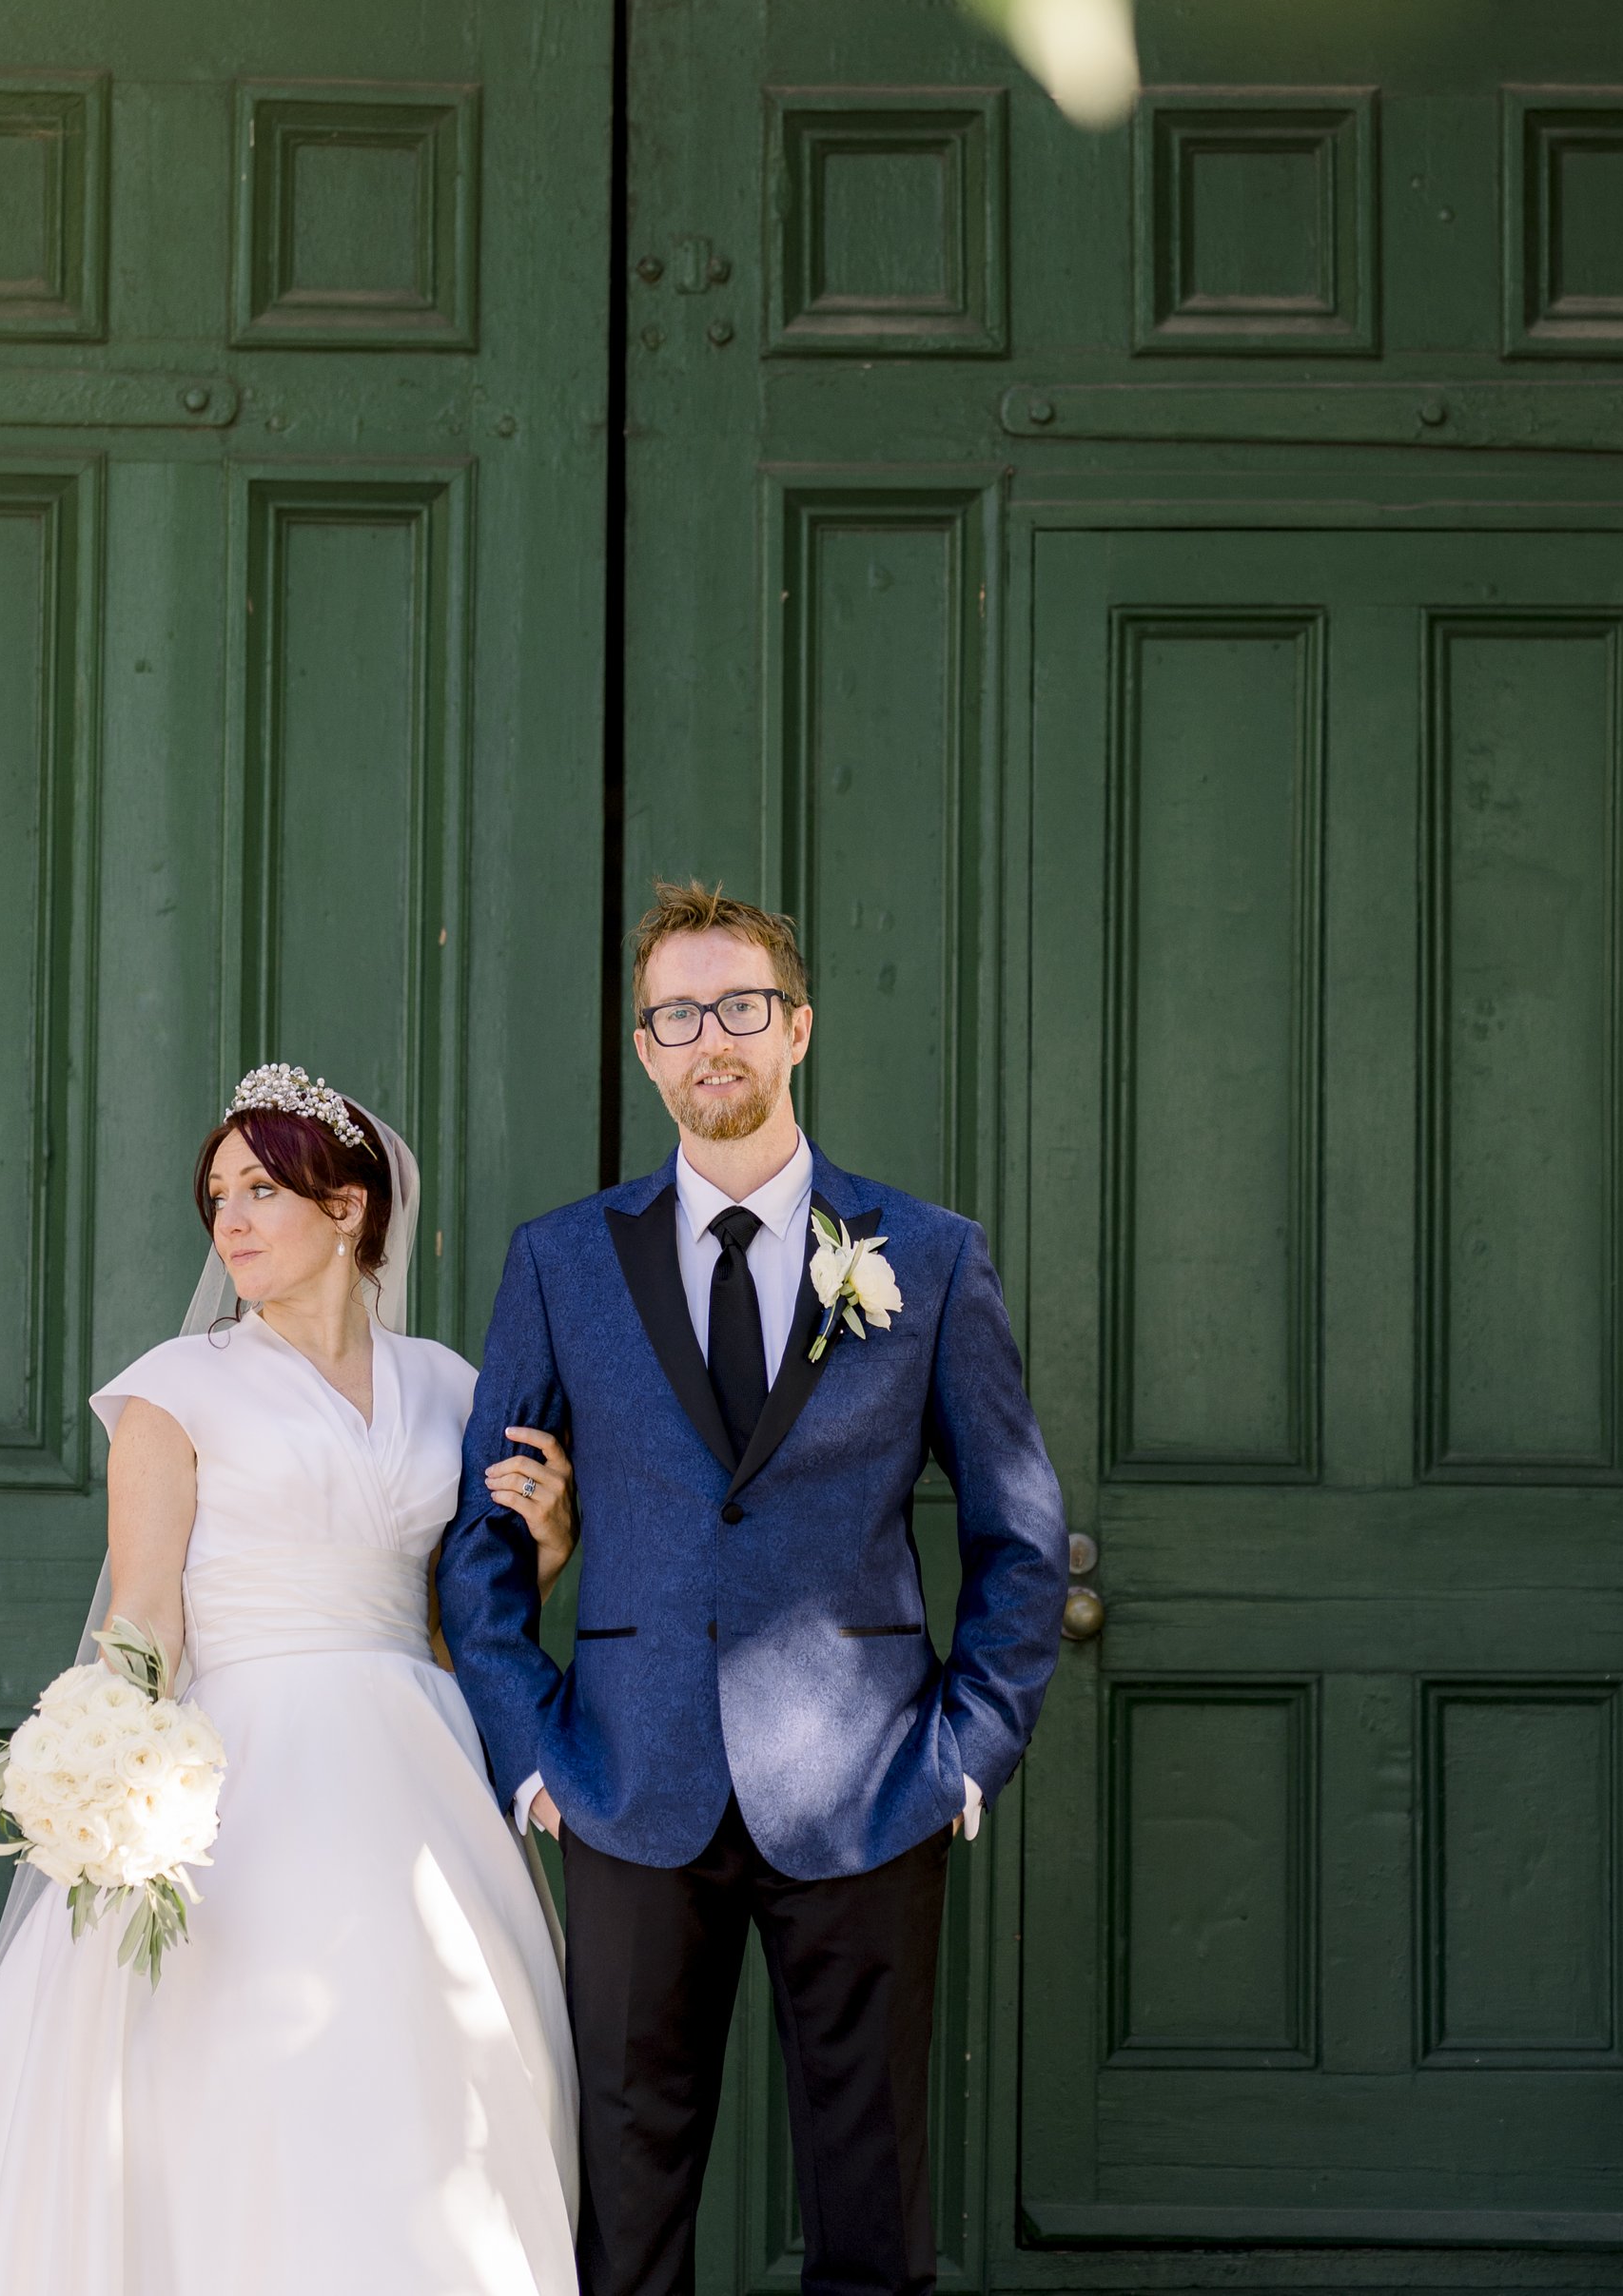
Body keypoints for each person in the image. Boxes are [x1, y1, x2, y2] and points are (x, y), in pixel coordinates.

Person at [440, 884, 1068, 2296]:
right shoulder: (560, 1258)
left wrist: (966, 1751)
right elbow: (478, 1539)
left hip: (866, 1792)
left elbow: (1018, 1529)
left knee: (872, 2208)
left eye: (738, 1007)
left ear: (798, 1028)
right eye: (677, 1013)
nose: (707, 1037)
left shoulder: (927, 1252)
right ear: (646, 1047)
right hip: (625, 1780)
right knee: (626, 2212)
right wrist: (537, 1753)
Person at [0, 1063, 582, 2296]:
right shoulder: (176, 1387)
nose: (235, 1220)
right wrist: (108, 1782)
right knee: (242, 2089)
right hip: (241, 1784)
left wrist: (547, 1553)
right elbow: (143, 1618)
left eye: (265, 1187)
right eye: (220, 1194)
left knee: (437, 2075)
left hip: (420, 1766)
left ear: (352, 1206)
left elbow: (452, 1622)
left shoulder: (450, 1389)